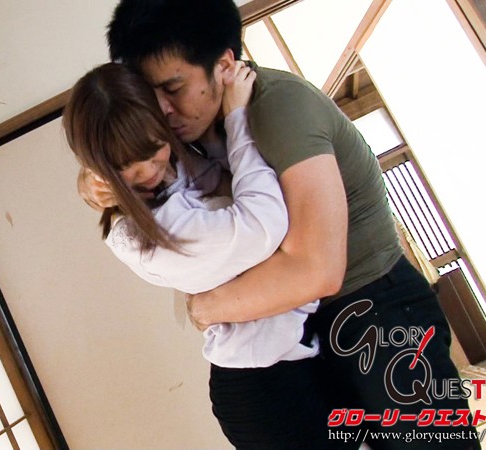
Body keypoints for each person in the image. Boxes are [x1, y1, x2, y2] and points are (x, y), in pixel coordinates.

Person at [77, 1, 481, 449]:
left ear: (223, 65)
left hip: (373, 306)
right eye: (150, 94)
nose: (163, 109)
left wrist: (208, 308)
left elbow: (317, 270)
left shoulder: (278, 107)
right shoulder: (185, 128)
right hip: (308, 330)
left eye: (174, 87)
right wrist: (98, 182)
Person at [65, 61, 336, 449]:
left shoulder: (172, 172)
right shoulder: (146, 238)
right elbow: (264, 223)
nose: (148, 171)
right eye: (125, 166)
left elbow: (219, 175)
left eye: (153, 147)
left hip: (291, 353)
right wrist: (237, 117)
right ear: (99, 169)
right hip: (263, 386)